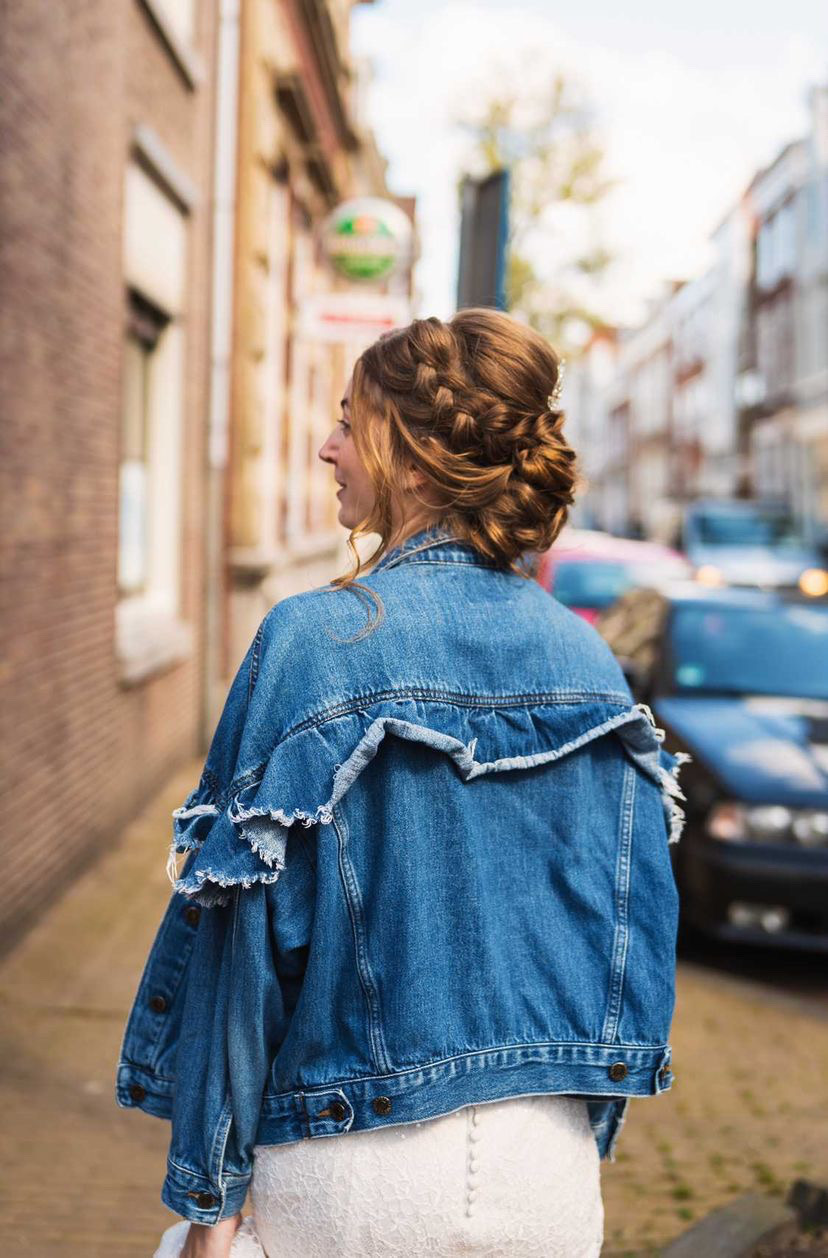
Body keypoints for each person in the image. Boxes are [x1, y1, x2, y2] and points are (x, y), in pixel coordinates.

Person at [118, 309, 685, 1258]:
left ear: (416, 461)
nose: (327, 447)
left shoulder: (316, 639)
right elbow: (630, 932)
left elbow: (245, 942)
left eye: (351, 422)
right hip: (545, 1175)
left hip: (356, 1167)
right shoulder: (587, 660)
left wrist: (210, 1200)